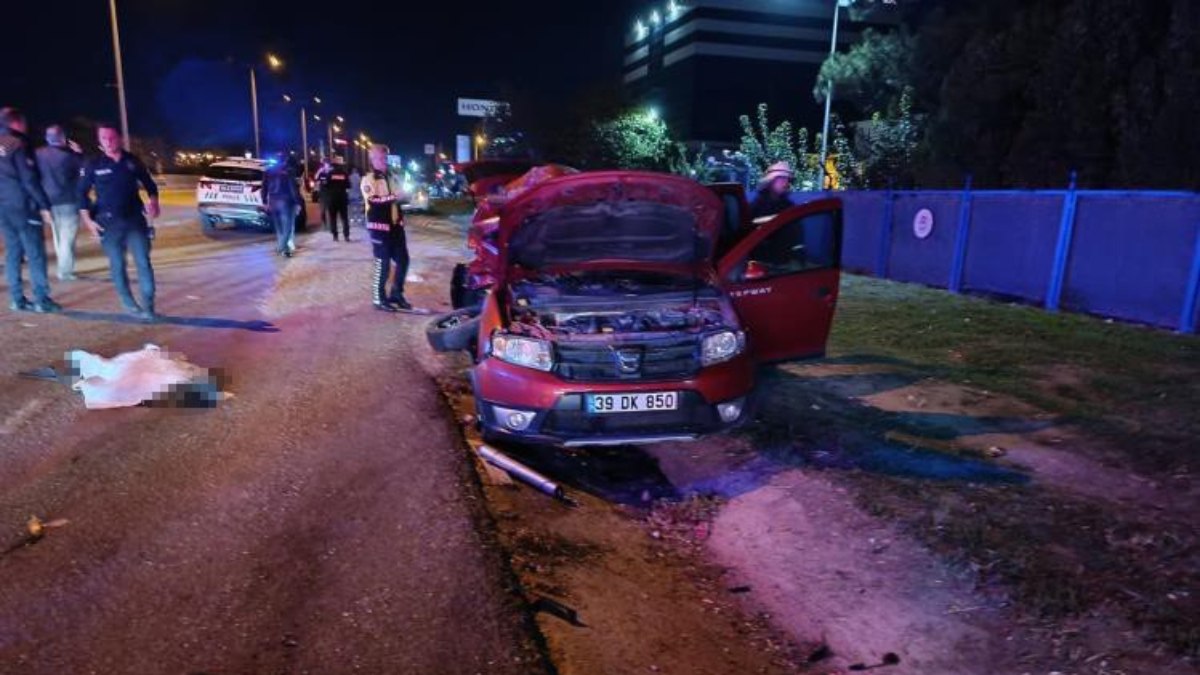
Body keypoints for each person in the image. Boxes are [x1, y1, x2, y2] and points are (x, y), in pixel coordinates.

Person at [78, 123, 160, 321]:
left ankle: (148, 307)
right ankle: (128, 301)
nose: (108, 142)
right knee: (117, 265)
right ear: (99, 141)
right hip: (108, 223)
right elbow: (81, 194)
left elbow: (150, 185)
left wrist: (154, 202)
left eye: (111, 137)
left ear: (120, 138)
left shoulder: (132, 161)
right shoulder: (94, 164)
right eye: (103, 138)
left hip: (134, 221)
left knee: (143, 263)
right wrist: (88, 221)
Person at [0, 107, 59, 313]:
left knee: (13, 253)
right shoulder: (19, 144)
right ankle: (42, 299)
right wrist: (44, 205)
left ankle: (17, 299)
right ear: (15, 123)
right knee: (35, 254)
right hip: (24, 206)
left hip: (4, 208)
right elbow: (29, 179)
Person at [361, 144, 412, 311]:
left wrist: (406, 197)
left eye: (385, 158)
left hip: (396, 227)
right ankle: (379, 299)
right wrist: (394, 197)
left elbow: (399, 198)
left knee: (403, 260)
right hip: (379, 227)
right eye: (381, 158)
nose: (384, 161)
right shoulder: (368, 179)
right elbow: (374, 201)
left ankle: (397, 294)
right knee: (382, 263)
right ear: (372, 160)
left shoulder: (392, 177)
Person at [36, 124, 84, 280]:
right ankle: (65, 271)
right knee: (67, 238)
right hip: (69, 201)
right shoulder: (69, 156)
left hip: (48, 202)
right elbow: (83, 171)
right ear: (62, 138)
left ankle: (64, 268)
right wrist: (79, 153)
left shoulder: (39, 154)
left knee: (58, 238)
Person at [264, 156, 302, 257]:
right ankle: (281, 247)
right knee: (288, 228)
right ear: (285, 161)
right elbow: (292, 187)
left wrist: (264, 201)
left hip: (272, 201)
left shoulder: (268, 171)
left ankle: (284, 250)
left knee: (279, 228)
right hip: (285, 201)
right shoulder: (288, 171)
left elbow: (264, 187)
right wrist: (298, 202)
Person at [314, 156, 350, 241]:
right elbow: (348, 185)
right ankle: (346, 235)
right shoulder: (344, 174)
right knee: (344, 218)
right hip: (342, 198)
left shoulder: (329, 174)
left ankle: (335, 236)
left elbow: (325, 184)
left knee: (332, 218)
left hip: (332, 199)